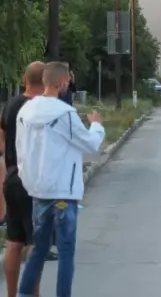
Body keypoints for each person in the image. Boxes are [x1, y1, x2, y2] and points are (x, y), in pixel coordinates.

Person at [15, 61, 105, 297]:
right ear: (61, 82)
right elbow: (90, 143)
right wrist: (96, 125)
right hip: (63, 193)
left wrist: (29, 181)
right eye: (67, 82)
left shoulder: (25, 111)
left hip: (38, 192)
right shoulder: (64, 114)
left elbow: (20, 150)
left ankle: (23, 293)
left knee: (38, 250)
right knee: (66, 252)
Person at [0, 62, 44, 297]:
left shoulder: (11, 105)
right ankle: (32, 294)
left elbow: (1, 141)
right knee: (34, 243)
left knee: (14, 240)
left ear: (25, 80)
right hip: (34, 182)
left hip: (12, 178)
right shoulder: (42, 108)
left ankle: (11, 294)